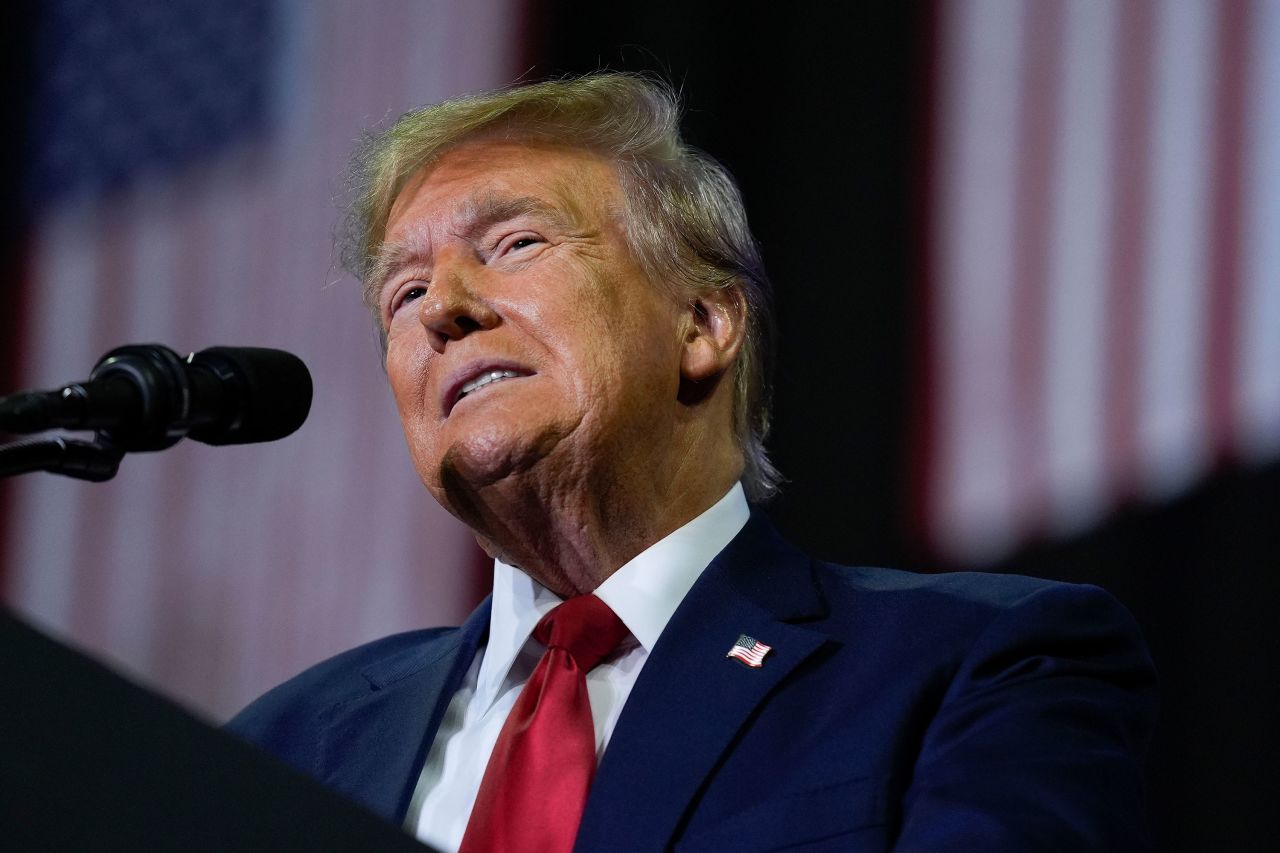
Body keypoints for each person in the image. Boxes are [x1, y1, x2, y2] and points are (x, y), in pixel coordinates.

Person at [228, 73, 1157, 852]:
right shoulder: (282, 747)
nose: (444, 309)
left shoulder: (974, 667)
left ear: (704, 324)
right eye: (405, 291)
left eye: (515, 244)